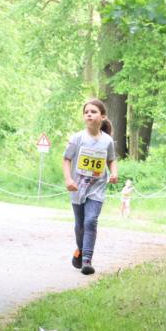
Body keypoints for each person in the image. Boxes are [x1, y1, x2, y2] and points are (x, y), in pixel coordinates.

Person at [63, 99, 118, 276]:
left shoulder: (107, 140)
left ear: (102, 117)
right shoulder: (77, 138)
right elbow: (66, 159)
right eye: (86, 111)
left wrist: (114, 173)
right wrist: (69, 179)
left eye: (93, 111)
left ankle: (87, 259)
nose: (89, 114)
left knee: (90, 221)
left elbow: (111, 159)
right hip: (77, 188)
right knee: (80, 226)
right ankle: (79, 250)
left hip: (97, 188)